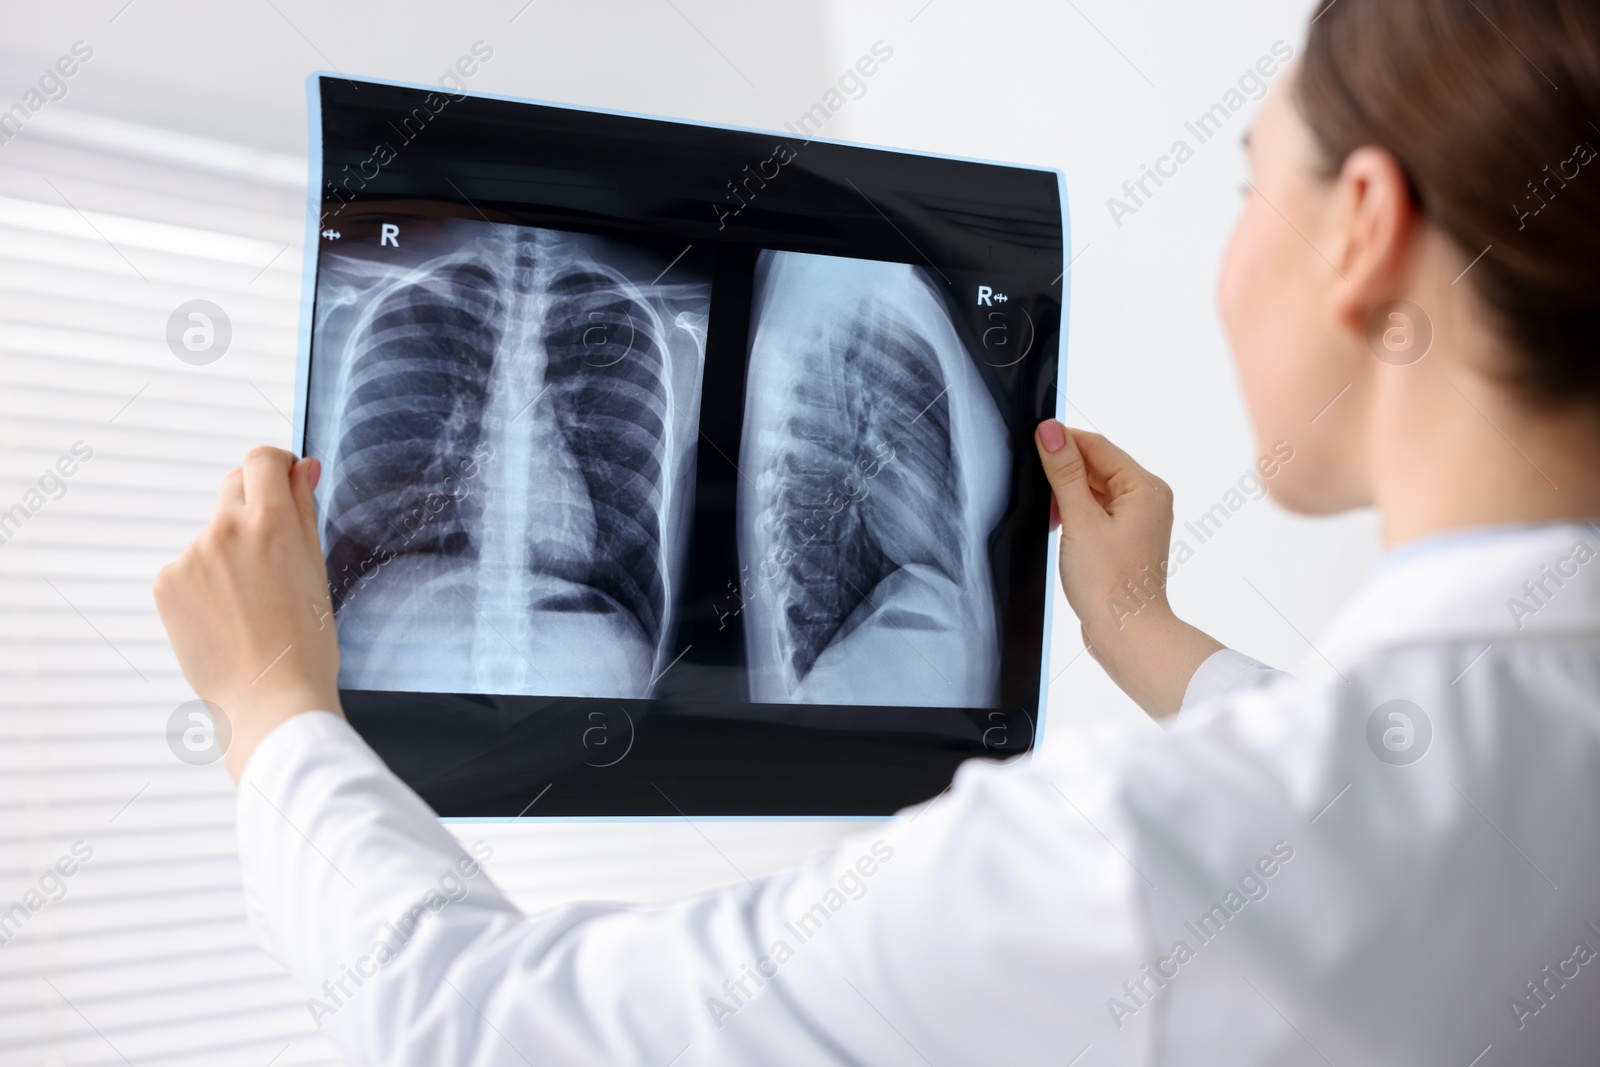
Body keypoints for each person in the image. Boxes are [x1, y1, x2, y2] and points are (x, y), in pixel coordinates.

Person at [153, 0, 1600, 1062]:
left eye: (1243, 184)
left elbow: (486, 1031)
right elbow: (1408, 802)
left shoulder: (1133, 864)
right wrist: (1147, 639)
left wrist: (273, 713)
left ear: (1361, 225)